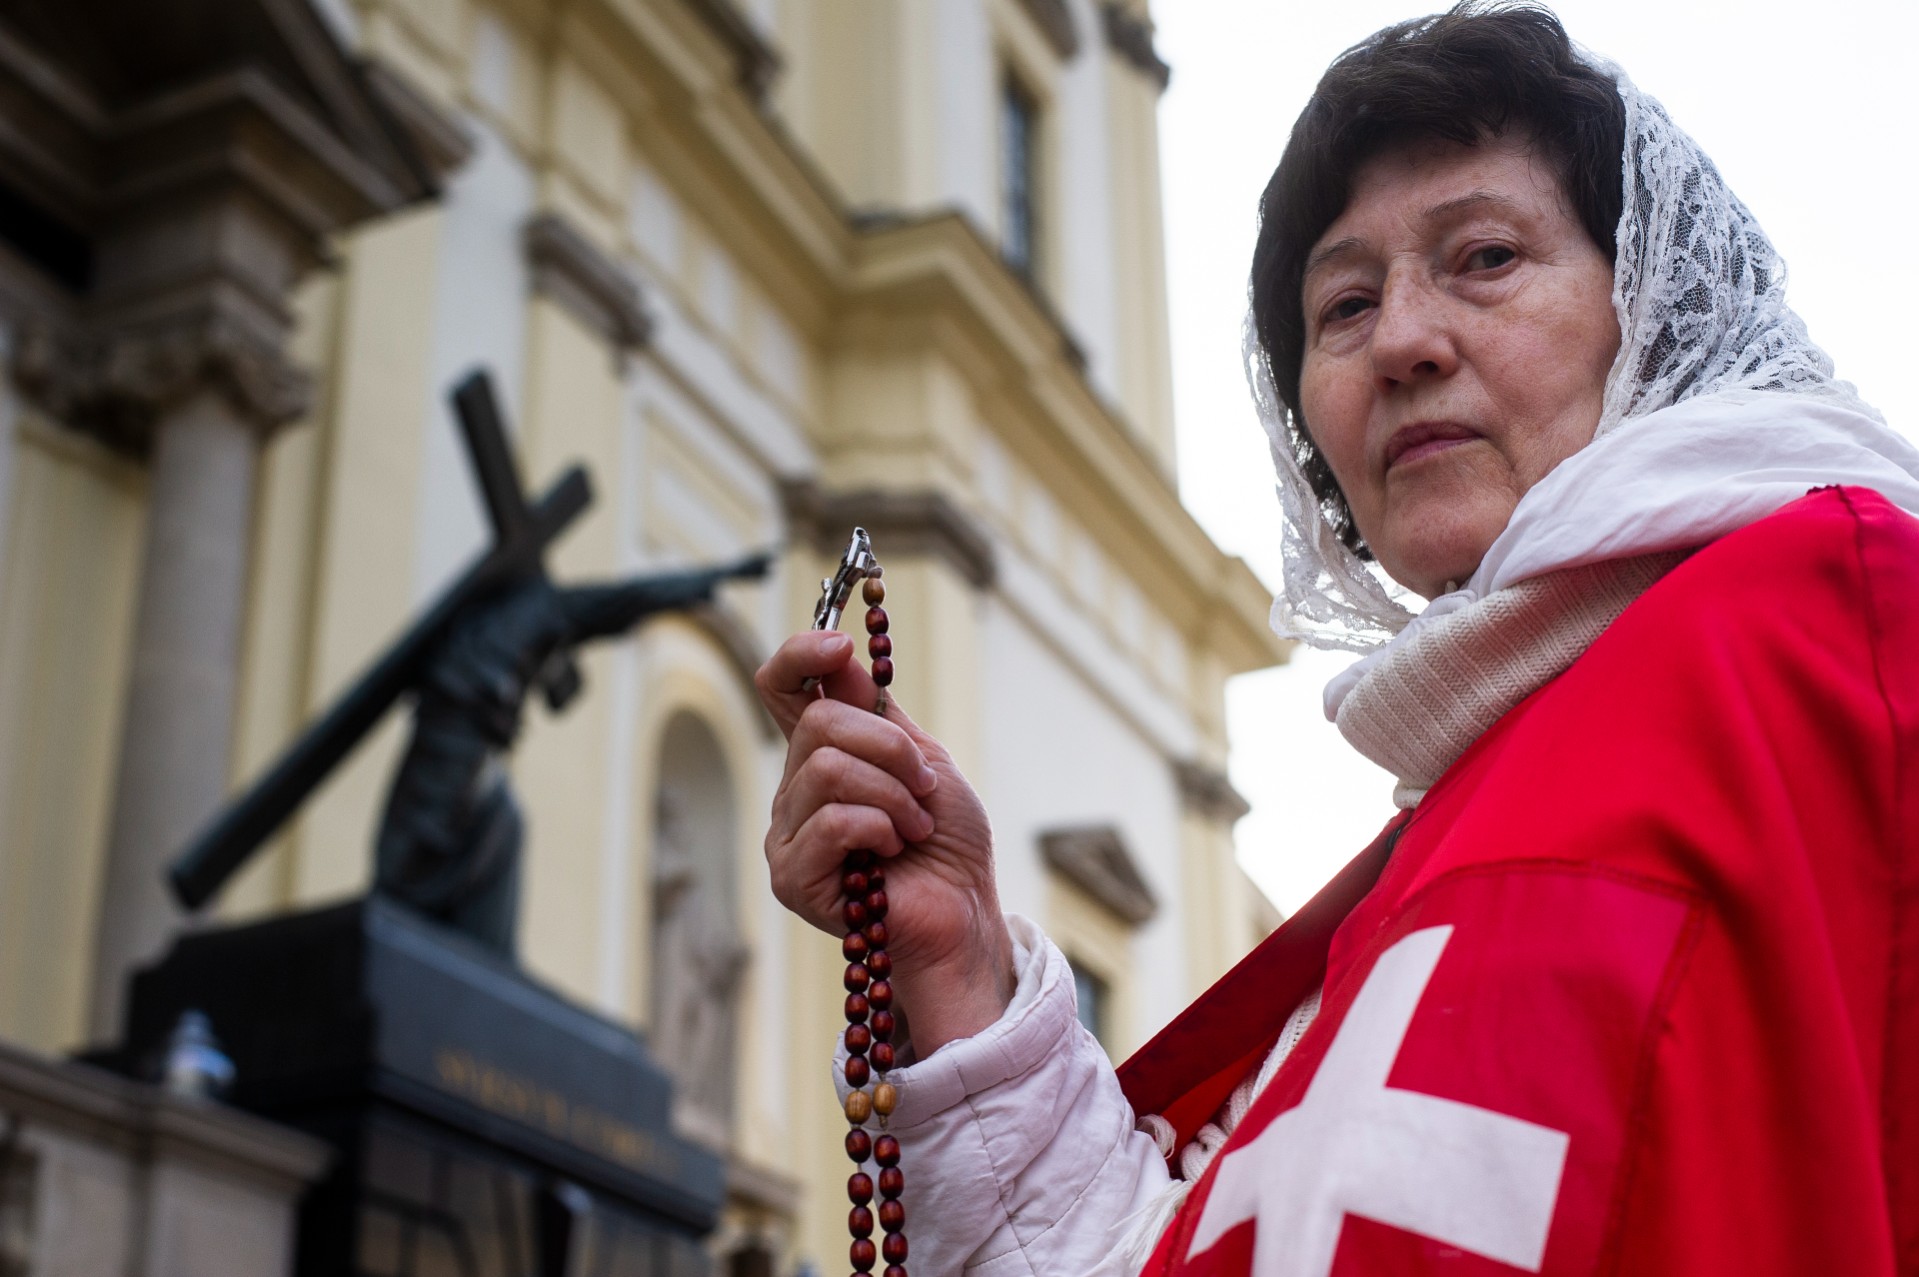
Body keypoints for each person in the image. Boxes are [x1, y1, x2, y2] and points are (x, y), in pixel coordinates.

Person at [755, 5, 1919, 1274]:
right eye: (1343, 305)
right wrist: (959, 961)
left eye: (1482, 256)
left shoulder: (1851, 612)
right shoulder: (1445, 820)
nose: (1403, 341)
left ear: (1656, 302)